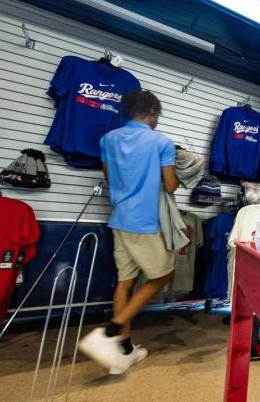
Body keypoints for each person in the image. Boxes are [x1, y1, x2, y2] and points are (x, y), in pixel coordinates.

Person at [78, 90, 179, 374]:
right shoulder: (161, 142)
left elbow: (110, 179)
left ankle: (124, 352)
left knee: (126, 281)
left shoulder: (108, 140)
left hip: (119, 219)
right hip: (144, 222)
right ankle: (113, 329)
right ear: (152, 112)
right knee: (163, 275)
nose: (158, 120)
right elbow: (170, 186)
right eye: (158, 114)